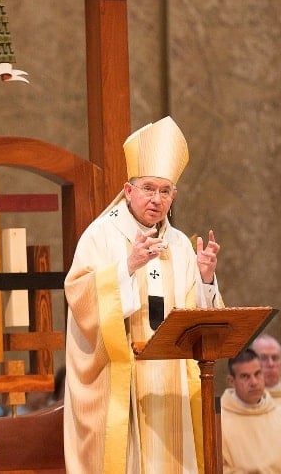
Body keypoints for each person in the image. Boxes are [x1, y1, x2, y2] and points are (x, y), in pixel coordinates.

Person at [64, 116, 223, 472]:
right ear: (128, 189)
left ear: (174, 196)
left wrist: (206, 279)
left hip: (172, 385)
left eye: (164, 191)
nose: (156, 199)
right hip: (124, 380)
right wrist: (128, 266)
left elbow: (198, 321)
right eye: (148, 188)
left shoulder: (181, 244)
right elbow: (80, 296)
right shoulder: (100, 235)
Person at [220, 349, 281, 473]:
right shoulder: (219, 422)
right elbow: (218, 469)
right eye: (245, 376)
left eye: (257, 374)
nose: (254, 382)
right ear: (231, 381)